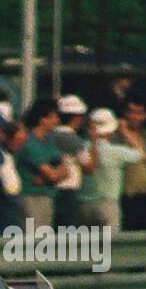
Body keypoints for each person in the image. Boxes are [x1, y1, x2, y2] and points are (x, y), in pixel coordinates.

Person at [76, 108, 142, 230]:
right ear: (111, 131)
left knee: (85, 247)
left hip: (83, 203)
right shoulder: (116, 151)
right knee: (110, 246)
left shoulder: (82, 147)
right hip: (108, 203)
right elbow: (141, 154)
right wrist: (125, 131)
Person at [16, 97, 66, 228]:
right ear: (42, 119)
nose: (57, 121)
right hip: (31, 198)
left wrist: (49, 178)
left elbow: (65, 170)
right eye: (54, 117)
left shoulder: (49, 141)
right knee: (32, 240)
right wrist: (53, 176)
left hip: (47, 197)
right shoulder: (29, 143)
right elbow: (51, 174)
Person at [114, 95, 146, 230]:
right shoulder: (117, 137)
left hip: (145, 196)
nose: (134, 116)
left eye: (139, 113)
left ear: (145, 116)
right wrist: (124, 131)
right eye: (131, 112)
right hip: (125, 196)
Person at [51, 95, 97, 227]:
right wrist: (94, 141)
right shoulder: (72, 139)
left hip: (54, 190)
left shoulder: (51, 135)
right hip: (67, 191)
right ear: (77, 117)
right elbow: (89, 167)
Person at [0, 121, 26, 234]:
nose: (19, 147)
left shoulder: (12, 156)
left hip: (14, 206)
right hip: (2, 206)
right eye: (17, 143)